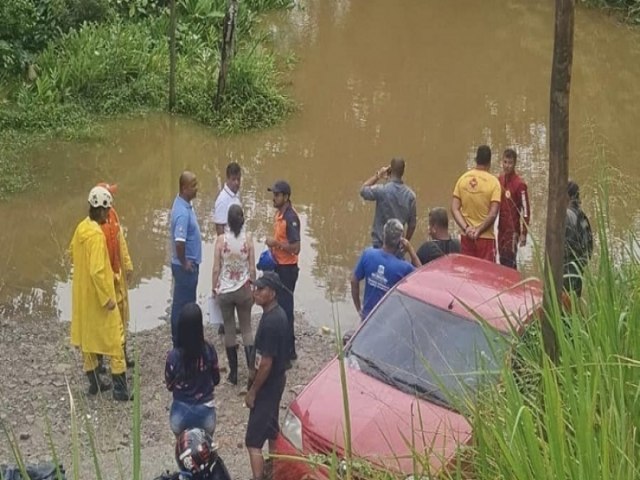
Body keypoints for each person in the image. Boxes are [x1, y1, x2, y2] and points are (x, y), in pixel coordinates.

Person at [70, 185, 132, 401]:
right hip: (99, 297)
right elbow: (97, 271)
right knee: (116, 338)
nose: (109, 214)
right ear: (103, 209)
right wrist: (107, 298)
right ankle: (120, 389)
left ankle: (95, 383)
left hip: (83, 296)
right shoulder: (96, 236)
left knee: (88, 338)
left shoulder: (81, 228)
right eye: (108, 210)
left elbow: (72, 254)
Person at [244, 272, 290, 480]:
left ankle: (259, 477)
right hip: (276, 382)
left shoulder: (272, 322)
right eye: (255, 288)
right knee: (272, 430)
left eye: (260, 289)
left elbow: (266, 363)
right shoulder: (276, 313)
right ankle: (278, 471)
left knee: (253, 441)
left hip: (267, 385)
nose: (256, 292)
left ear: (272, 293)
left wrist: (253, 391)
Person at [211, 204, 256, 386]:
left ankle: (234, 374)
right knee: (246, 329)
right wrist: (253, 287)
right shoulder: (249, 239)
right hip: (244, 289)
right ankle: (252, 371)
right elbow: (252, 268)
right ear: (243, 220)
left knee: (229, 329)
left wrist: (214, 288)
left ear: (228, 221)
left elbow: (216, 269)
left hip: (226, 290)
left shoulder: (221, 240)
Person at [165, 303, 220, 437]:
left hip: (180, 415)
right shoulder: (209, 350)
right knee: (206, 450)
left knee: (183, 450)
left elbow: (169, 385)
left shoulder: (173, 356)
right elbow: (216, 379)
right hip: (206, 414)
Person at [96, 182, 135, 368]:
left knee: (122, 315)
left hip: (117, 274)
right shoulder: (94, 226)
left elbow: (121, 242)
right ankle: (101, 360)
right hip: (105, 278)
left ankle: (123, 354)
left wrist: (127, 265)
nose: (112, 199)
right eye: (110, 195)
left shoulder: (114, 216)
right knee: (104, 320)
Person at [351, 219, 420, 320]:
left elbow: (354, 281)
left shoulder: (368, 254)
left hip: (367, 317)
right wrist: (411, 250)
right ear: (400, 242)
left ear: (383, 237)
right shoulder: (404, 267)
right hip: (389, 321)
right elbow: (422, 277)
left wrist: (359, 309)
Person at [265, 180, 300, 361]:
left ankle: (287, 353)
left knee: (285, 310)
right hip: (279, 266)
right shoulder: (279, 215)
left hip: (287, 270)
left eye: (277, 195)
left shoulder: (290, 218)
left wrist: (276, 243)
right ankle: (287, 349)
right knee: (280, 307)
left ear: (286, 197)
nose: (274, 198)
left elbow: (296, 248)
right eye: (274, 194)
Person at [451, 145, 502, 262]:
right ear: (489, 162)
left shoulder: (463, 179)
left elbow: (454, 208)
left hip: (466, 237)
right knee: (485, 276)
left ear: (476, 159)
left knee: (467, 275)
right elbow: (493, 213)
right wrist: (479, 230)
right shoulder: (494, 183)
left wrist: (467, 229)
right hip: (486, 238)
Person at [170, 171, 202, 347]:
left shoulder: (184, 204)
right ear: (184, 188)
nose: (197, 189)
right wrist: (185, 263)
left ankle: (185, 338)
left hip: (186, 265)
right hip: (185, 268)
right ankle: (180, 341)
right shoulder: (182, 213)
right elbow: (179, 242)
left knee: (184, 303)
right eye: (194, 185)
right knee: (183, 306)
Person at [360, 157, 417, 250]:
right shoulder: (411, 196)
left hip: (379, 245)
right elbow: (412, 224)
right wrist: (405, 243)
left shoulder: (382, 190)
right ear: (403, 172)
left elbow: (363, 191)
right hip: (397, 247)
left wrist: (378, 175)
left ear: (390, 170)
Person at [497, 149, 530, 269]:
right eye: (505, 162)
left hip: (512, 232)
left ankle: (513, 286)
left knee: (510, 263)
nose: (507, 166)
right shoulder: (499, 180)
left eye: (510, 163)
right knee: (501, 260)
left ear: (514, 163)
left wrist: (524, 233)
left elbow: (526, 211)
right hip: (501, 229)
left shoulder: (520, 185)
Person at [564, 180, 593, 298]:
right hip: (579, 269)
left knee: (563, 305)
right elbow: (590, 246)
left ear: (567, 196)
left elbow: (563, 247)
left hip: (567, 271)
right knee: (575, 303)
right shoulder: (582, 215)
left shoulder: (566, 215)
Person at [213, 162, 242, 236]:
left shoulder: (236, 194)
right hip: (229, 245)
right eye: (233, 179)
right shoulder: (222, 200)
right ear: (227, 179)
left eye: (238, 179)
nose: (237, 183)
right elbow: (219, 230)